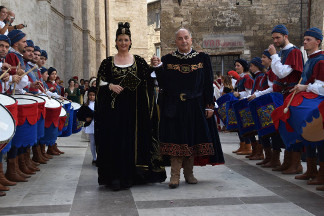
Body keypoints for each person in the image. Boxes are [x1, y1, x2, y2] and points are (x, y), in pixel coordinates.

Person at [95, 22, 166, 190]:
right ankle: (114, 177)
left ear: (130, 41)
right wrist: (109, 86)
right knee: (115, 142)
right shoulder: (107, 62)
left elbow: (150, 79)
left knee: (131, 143)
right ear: (116, 41)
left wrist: (156, 65)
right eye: (120, 39)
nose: (123, 43)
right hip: (113, 112)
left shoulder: (139, 62)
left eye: (126, 39)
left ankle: (132, 175)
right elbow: (99, 83)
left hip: (134, 113)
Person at [152, 28, 224, 189]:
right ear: (175, 41)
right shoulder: (168, 59)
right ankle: (175, 176)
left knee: (192, 139)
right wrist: (157, 68)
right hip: (174, 106)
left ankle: (189, 174)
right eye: (180, 38)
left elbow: (207, 83)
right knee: (175, 140)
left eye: (186, 38)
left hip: (195, 106)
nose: (183, 41)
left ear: (191, 39)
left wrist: (209, 105)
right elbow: (163, 84)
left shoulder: (202, 58)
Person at [287, 28, 324, 190]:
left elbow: (322, 87)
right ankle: (310, 170)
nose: (304, 41)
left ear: (318, 41)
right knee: (306, 135)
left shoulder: (321, 60)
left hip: (318, 103)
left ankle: (322, 174)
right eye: (305, 39)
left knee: (320, 139)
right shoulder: (310, 59)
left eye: (309, 39)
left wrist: (304, 87)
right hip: (311, 101)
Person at [268, 24, 304, 174]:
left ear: (285, 36)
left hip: (291, 95)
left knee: (291, 128)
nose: (275, 40)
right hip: (282, 95)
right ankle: (287, 161)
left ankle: (296, 164)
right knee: (283, 128)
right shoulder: (284, 52)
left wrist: (274, 55)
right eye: (274, 38)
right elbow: (277, 72)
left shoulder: (294, 52)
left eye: (278, 37)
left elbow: (282, 73)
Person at [232, 59, 257, 156]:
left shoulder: (247, 78)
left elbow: (249, 93)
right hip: (241, 104)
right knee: (241, 126)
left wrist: (239, 94)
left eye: (238, 65)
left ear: (243, 66)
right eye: (236, 66)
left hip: (245, 105)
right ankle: (243, 145)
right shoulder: (241, 78)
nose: (236, 67)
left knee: (247, 127)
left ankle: (248, 146)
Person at [83, 86, 96, 164]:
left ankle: (99, 157)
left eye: (93, 95)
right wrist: (86, 118)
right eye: (90, 95)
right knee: (92, 142)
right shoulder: (86, 105)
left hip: (97, 125)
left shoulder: (98, 104)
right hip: (91, 125)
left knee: (98, 142)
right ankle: (94, 158)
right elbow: (82, 115)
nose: (91, 96)